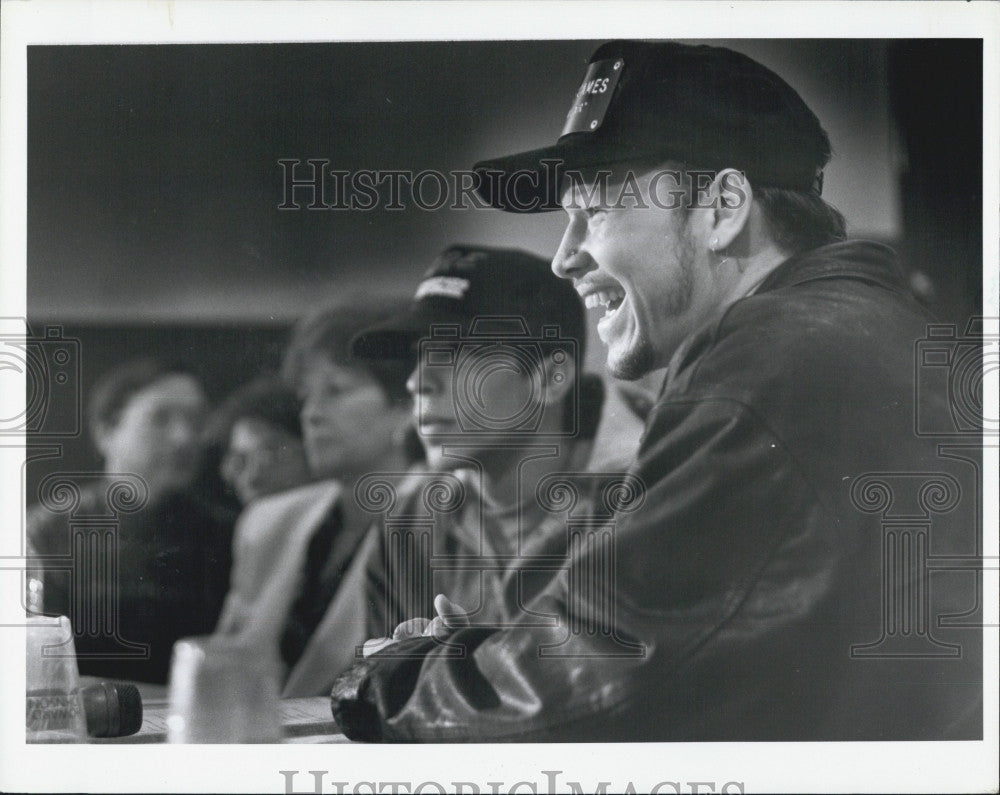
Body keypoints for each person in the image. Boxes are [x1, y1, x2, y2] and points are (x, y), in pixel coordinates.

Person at [330, 40, 982, 741]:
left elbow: (604, 682)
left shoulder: (766, 371)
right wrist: (485, 655)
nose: (564, 255)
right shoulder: (835, 329)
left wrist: (397, 675)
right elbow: (701, 649)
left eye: (596, 210)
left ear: (722, 207)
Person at [347, 245, 626, 649]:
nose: (417, 382)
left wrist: (454, 671)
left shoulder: (634, 512)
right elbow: (371, 689)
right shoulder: (408, 526)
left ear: (551, 378)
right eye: (418, 354)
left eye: (458, 350)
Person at [214, 303, 413, 689]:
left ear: (405, 406)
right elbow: (223, 665)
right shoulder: (267, 521)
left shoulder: (445, 525)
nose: (311, 413)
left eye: (336, 390)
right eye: (306, 395)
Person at [27, 358, 231, 684]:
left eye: (195, 421)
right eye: (160, 418)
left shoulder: (226, 534)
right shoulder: (44, 533)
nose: (184, 438)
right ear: (107, 431)